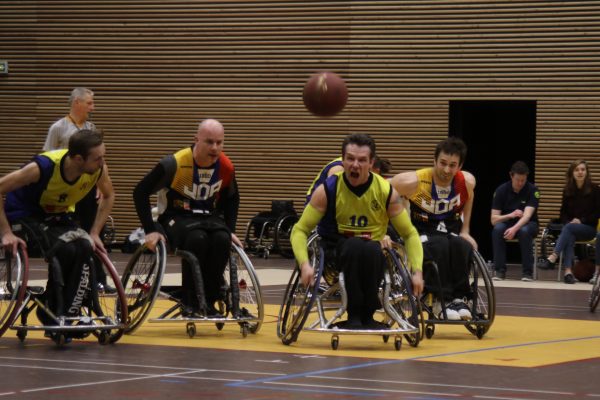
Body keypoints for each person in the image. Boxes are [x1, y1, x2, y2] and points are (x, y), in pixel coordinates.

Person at [291, 133, 423, 330]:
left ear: (371, 163)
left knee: (370, 248)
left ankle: (367, 315)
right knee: (355, 245)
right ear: (342, 160)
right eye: (350, 158)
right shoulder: (328, 189)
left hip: (373, 252)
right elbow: (300, 230)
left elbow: (410, 234)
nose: (355, 165)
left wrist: (417, 272)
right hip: (335, 252)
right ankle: (354, 314)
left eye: (361, 160)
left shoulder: (385, 191)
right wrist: (304, 264)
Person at [0, 130, 114, 334]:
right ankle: (55, 310)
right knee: (66, 249)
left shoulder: (98, 170)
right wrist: (6, 232)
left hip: (57, 215)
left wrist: (95, 232)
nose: (102, 162)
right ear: (78, 159)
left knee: (85, 246)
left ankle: (59, 309)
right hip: (24, 215)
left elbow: (109, 195)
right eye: (98, 158)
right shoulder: (41, 168)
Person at [133, 118, 241, 317]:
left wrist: (230, 228)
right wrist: (150, 229)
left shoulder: (225, 166)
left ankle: (210, 300)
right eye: (209, 142)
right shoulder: (175, 163)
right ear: (196, 140)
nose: (215, 148)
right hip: (175, 216)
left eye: (219, 142)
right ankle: (190, 300)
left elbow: (232, 197)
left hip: (207, 217)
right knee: (197, 239)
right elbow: (140, 192)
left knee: (222, 239)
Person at [390, 136, 476, 321]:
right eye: (443, 163)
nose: (446, 170)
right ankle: (440, 299)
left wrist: (465, 230)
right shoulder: (414, 181)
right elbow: (384, 190)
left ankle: (459, 298)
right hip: (421, 230)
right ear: (434, 161)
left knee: (463, 245)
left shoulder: (466, 181)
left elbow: (470, 197)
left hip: (449, 228)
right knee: (439, 245)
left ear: (460, 166)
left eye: (452, 165)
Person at [541, 160, 600, 284]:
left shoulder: (595, 189)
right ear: (572, 173)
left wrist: (581, 221)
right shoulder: (567, 190)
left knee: (568, 229)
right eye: (577, 170)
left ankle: (553, 257)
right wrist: (569, 221)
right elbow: (563, 213)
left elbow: (597, 213)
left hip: (589, 228)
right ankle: (568, 273)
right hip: (571, 228)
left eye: (583, 169)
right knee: (569, 232)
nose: (580, 172)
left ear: (587, 172)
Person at [490, 161, 540, 281]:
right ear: (511, 175)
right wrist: (510, 215)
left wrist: (514, 229)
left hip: (529, 224)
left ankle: (527, 272)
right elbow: (493, 220)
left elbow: (527, 216)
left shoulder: (533, 190)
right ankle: (499, 271)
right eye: (518, 180)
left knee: (524, 231)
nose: (520, 183)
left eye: (523, 180)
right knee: (497, 229)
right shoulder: (501, 190)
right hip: (508, 221)